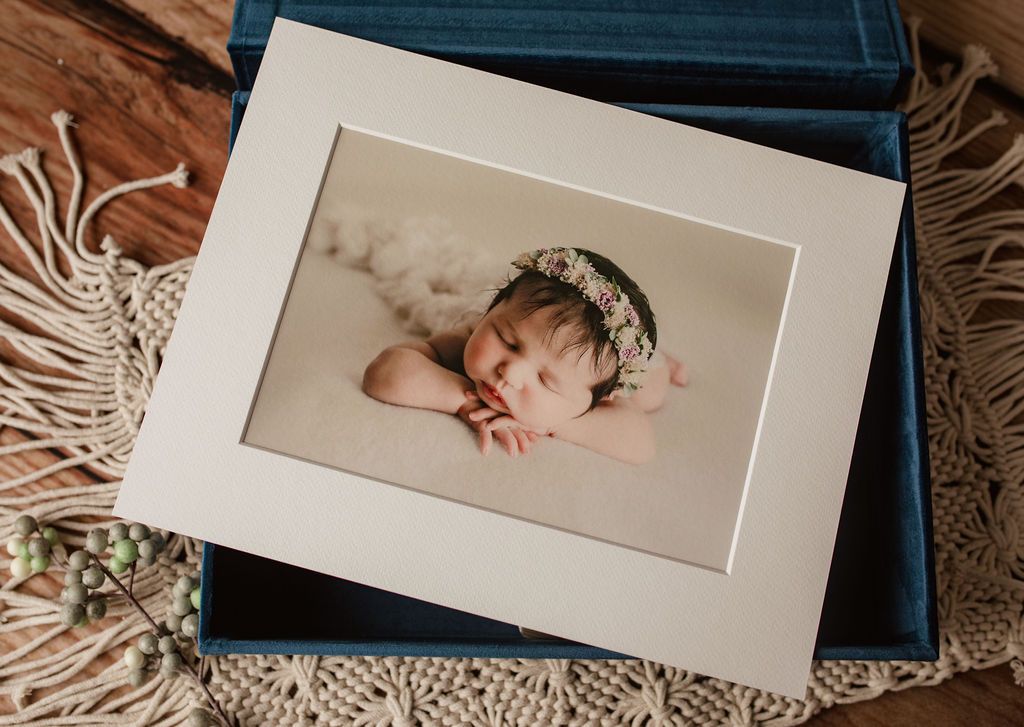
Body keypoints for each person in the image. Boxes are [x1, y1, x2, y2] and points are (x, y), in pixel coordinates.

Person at [362, 247, 687, 464]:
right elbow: (386, 373)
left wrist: (556, 424)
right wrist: (463, 400)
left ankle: (665, 360)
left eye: (546, 380)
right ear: (489, 313)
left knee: (651, 394)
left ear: (592, 402)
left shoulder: (594, 389)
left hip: (632, 369)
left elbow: (642, 445)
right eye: (508, 341)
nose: (511, 372)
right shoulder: (467, 335)